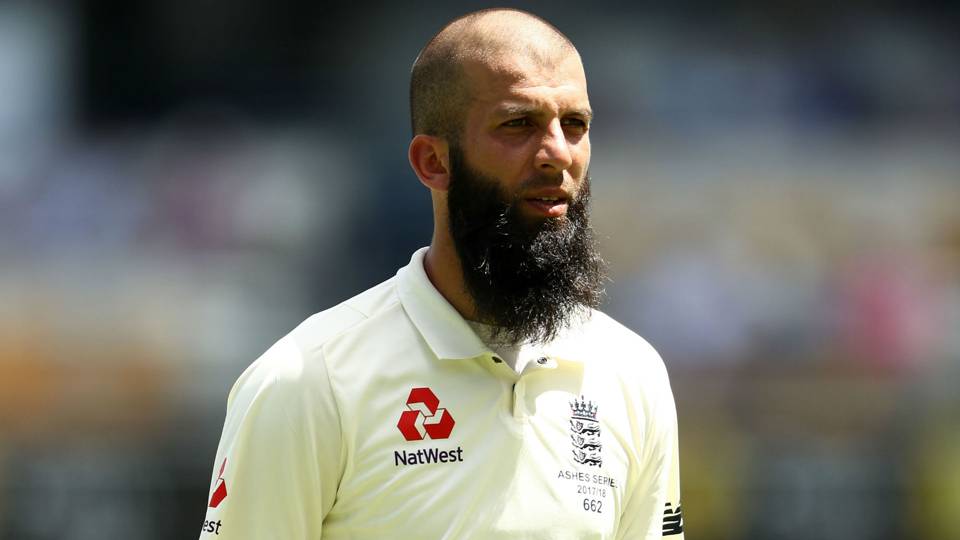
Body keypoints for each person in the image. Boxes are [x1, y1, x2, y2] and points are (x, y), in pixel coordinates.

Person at [200, 8, 684, 539]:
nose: (557, 155)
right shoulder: (308, 382)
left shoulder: (631, 373)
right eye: (518, 124)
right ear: (433, 162)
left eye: (575, 125)